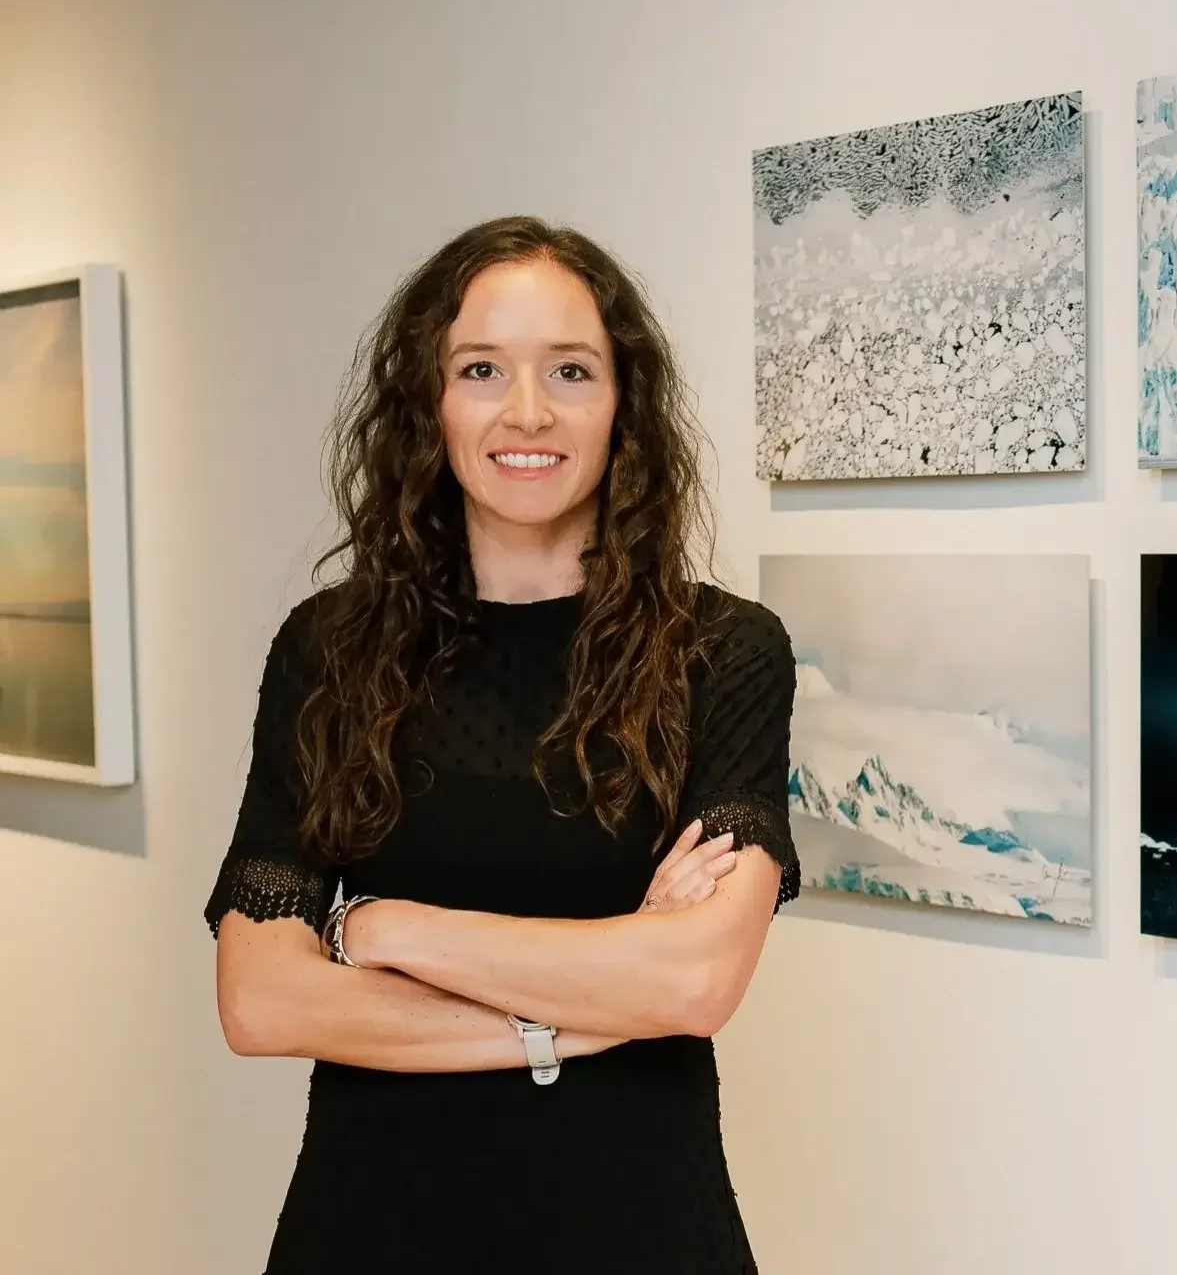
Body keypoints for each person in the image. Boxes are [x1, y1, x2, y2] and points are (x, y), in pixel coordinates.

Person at [204, 216, 799, 1273]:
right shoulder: (331, 649)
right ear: (429, 402)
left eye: (570, 369)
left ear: (625, 402)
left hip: (640, 1230)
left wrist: (381, 925)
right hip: (371, 1229)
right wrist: (584, 1014)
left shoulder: (723, 651)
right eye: (481, 368)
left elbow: (695, 981)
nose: (527, 411)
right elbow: (260, 997)